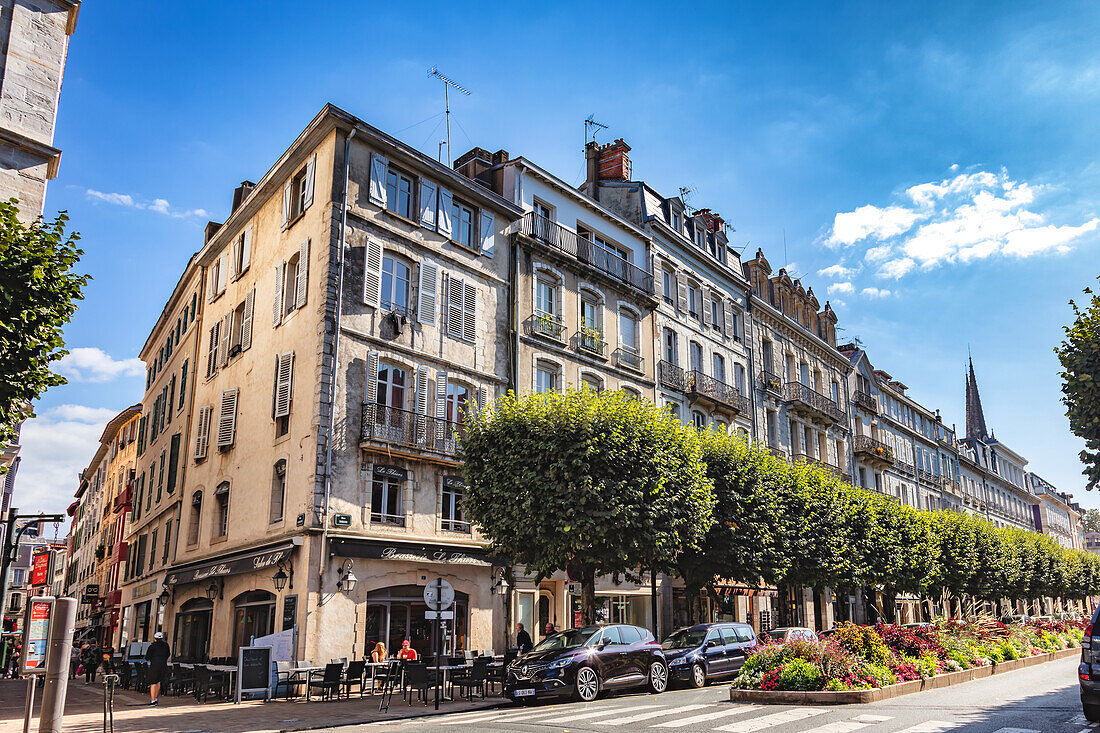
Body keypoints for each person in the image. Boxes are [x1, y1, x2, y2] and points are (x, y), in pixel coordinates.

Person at [145, 632, 170, 706]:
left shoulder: (152, 646)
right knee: (158, 682)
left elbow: (147, 657)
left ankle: (152, 700)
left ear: (154, 638)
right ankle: (156, 698)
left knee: (153, 683)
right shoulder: (166, 645)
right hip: (163, 666)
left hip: (154, 666)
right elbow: (168, 654)